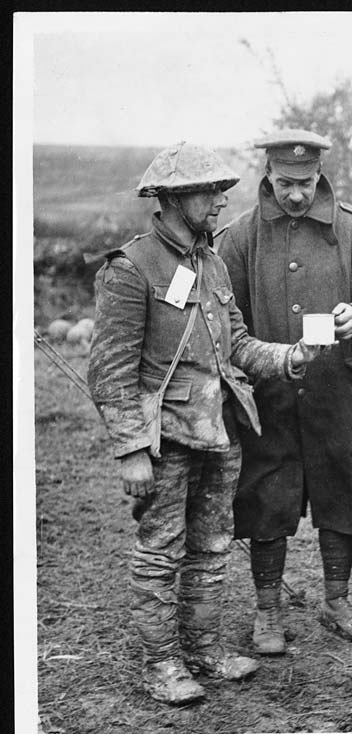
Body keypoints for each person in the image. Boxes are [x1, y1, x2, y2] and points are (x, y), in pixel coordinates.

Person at [87, 142, 322, 705]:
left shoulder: (209, 262)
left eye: (222, 190)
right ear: (171, 198)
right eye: (209, 191)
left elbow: (235, 343)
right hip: (165, 438)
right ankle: (162, 664)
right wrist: (130, 450)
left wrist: (287, 358)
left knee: (213, 546)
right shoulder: (131, 268)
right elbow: (111, 370)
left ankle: (204, 650)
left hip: (220, 432)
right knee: (160, 550)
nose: (221, 201)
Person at [215, 129, 352, 655]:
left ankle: (336, 601)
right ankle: (267, 612)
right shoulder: (239, 238)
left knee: (341, 491)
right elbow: (223, 316)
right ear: (268, 177)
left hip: (338, 391)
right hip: (269, 394)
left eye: (304, 183)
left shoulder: (351, 231)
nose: (295, 194)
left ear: (319, 175)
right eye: (284, 183)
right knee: (265, 497)